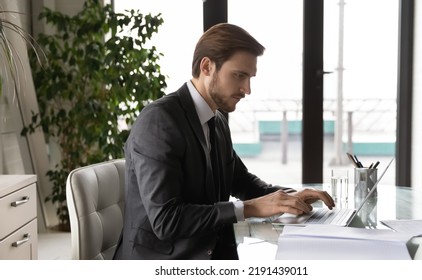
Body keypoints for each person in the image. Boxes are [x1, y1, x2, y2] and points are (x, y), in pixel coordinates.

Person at [114, 23, 335, 260]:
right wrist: (249, 208)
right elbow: (167, 221)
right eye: (239, 75)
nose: (247, 89)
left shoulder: (216, 121)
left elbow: (242, 182)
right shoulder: (159, 121)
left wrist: (290, 196)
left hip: (212, 252)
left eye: (250, 77)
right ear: (207, 66)